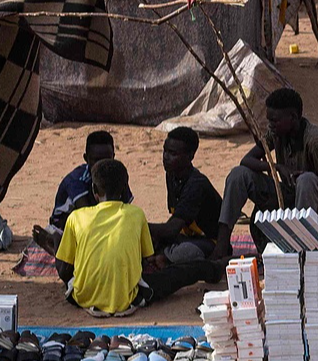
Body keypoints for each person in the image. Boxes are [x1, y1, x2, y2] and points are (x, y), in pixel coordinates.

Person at [217, 87, 318, 252]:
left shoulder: (315, 141)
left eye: (275, 120)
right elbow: (247, 160)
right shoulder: (276, 133)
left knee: (306, 181)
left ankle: (300, 249)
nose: (270, 125)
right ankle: (221, 244)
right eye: (269, 120)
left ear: (293, 117)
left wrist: (304, 179)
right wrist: (278, 167)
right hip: (291, 197)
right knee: (239, 175)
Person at [55, 159, 153, 317]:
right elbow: (147, 257)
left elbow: (64, 269)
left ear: (94, 189)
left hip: (83, 298)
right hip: (126, 300)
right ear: (124, 189)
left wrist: (54, 243)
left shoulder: (76, 217)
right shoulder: (136, 214)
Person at [150, 127, 224, 264]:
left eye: (172, 153)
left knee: (185, 252)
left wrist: (139, 225)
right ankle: (163, 257)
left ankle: (164, 258)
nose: (166, 157)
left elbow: (172, 229)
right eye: (165, 151)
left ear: (190, 156)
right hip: (185, 235)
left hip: (208, 241)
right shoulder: (171, 175)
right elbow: (175, 220)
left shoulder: (196, 184)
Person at [34, 131, 115, 254]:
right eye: (96, 160)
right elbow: (88, 218)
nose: (101, 166)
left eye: (106, 160)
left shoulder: (117, 175)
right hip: (66, 228)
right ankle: (56, 246)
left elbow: (125, 211)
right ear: (86, 159)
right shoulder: (76, 181)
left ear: (113, 156)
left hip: (99, 224)